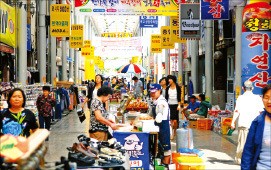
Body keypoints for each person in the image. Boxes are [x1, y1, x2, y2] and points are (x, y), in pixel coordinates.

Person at [231, 80, 264, 165]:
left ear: (243, 88)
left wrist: (233, 122)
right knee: (255, 143)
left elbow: (237, 111)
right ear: (252, 88)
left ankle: (239, 160)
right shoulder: (258, 98)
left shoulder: (240, 98)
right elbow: (261, 112)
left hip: (244, 124)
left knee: (242, 143)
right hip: (255, 125)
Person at [241, 84, 271, 169]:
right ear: (262, 99)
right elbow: (248, 152)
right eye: (266, 97)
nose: (269, 101)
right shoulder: (257, 122)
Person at [149, 83, 171, 165]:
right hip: (158, 126)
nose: (152, 94)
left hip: (163, 126)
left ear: (159, 91)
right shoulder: (155, 101)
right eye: (151, 92)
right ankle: (161, 162)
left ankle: (166, 164)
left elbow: (160, 113)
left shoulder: (161, 102)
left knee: (165, 146)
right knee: (160, 145)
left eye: (154, 92)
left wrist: (158, 116)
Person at [165, 75, 181, 139]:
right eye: (168, 79)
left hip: (176, 105)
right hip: (169, 104)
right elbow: (166, 97)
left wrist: (179, 105)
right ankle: (171, 133)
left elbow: (179, 97)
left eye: (170, 79)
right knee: (171, 119)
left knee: (175, 120)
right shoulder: (167, 88)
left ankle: (175, 131)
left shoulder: (178, 87)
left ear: (173, 80)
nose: (169, 80)